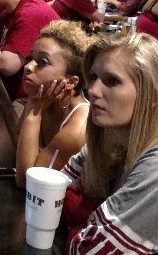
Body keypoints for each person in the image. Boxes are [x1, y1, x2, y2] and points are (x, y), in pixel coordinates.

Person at [61, 34, 158, 253]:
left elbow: (87, 249)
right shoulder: (110, 139)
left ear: (153, 94)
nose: (93, 91)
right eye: (93, 77)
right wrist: (90, 219)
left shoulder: (155, 168)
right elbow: (52, 193)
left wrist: (80, 215)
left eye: (112, 81)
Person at [15, 20, 92, 188]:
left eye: (42, 62)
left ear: (70, 82)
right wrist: (34, 103)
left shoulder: (77, 130)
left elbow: (27, 182)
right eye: (31, 58)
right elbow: (18, 140)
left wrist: (34, 113)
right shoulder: (47, 99)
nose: (28, 67)